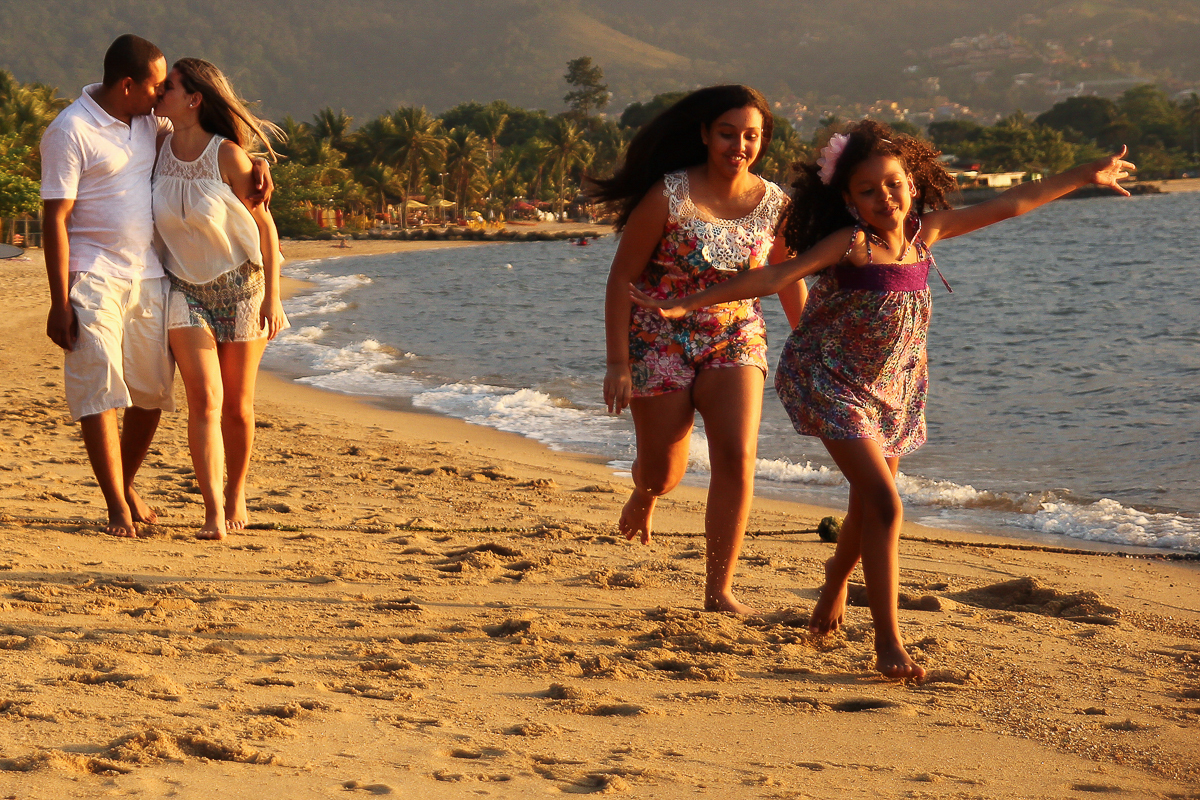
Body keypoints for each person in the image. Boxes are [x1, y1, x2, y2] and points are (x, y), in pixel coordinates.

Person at [631, 119, 1135, 677]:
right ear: (848, 200)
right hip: (829, 380)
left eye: (893, 185)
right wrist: (690, 302)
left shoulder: (926, 233)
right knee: (886, 504)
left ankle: (833, 583)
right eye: (867, 191)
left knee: (863, 504)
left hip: (895, 387)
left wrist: (1085, 174)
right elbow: (776, 277)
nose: (883, 198)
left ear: (912, 184)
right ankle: (888, 643)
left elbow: (1013, 203)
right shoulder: (850, 244)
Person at [40, 34, 273, 539]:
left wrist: (259, 163)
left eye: (168, 86)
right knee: (101, 386)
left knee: (150, 393)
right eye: (156, 84)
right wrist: (60, 301)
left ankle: (127, 483)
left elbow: (212, 137)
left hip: (150, 275)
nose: (161, 92)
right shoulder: (70, 130)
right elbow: (53, 219)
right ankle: (117, 506)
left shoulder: (151, 123)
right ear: (129, 85)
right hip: (93, 274)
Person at [590, 85, 807, 614]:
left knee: (737, 456)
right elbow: (622, 277)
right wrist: (618, 363)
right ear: (706, 134)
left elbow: (785, 277)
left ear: (763, 141)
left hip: (735, 336)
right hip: (657, 338)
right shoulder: (668, 195)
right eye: (728, 133)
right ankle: (645, 493)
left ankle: (719, 589)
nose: (739, 145)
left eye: (750, 136)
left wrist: (809, 343)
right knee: (662, 472)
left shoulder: (775, 203)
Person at [151, 57, 288, 540]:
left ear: (194, 99)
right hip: (183, 290)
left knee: (236, 407)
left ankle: (236, 493)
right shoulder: (157, 144)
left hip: (243, 290)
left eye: (168, 87)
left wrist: (273, 296)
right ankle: (212, 510)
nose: (158, 92)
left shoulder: (228, 156)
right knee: (205, 401)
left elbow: (266, 228)